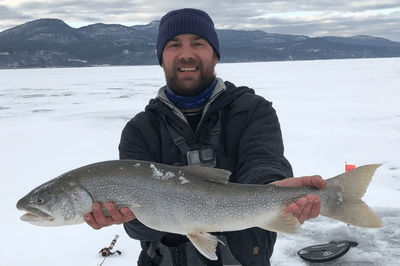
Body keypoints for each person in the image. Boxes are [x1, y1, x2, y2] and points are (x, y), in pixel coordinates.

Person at [84, 8, 327, 266]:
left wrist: (274, 189)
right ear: (161, 58)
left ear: (215, 55)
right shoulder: (140, 130)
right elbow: (139, 232)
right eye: (174, 44)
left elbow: (263, 162)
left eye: (198, 43)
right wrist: (126, 217)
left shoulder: (252, 111)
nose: (186, 54)